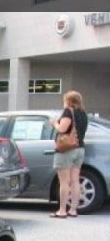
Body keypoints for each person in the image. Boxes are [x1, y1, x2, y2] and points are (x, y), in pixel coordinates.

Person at [50, 90, 88, 218]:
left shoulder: (68, 111)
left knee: (64, 182)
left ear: (69, 101)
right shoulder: (83, 114)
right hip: (80, 149)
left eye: (65, 99)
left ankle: (62, 211)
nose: (63, 102)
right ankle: (73, 210)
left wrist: (54, 123)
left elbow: (62, 129)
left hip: (67, 149)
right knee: (75, 181)